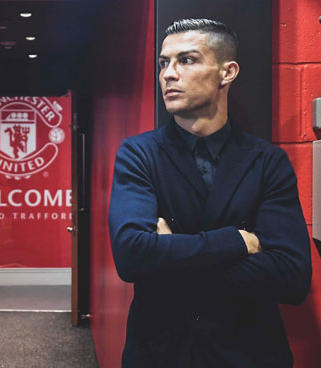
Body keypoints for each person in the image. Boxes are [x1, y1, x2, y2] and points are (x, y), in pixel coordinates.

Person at [108, 18, 312, 368]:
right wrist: (235, 242)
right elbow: (131, 257)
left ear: (227, 72)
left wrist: (170, 258)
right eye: (163, 63)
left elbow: (291, 277)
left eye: (186, 60)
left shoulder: (267, 162)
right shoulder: (139, 154)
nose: (169, 74)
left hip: (250, 354)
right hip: (161, 352)